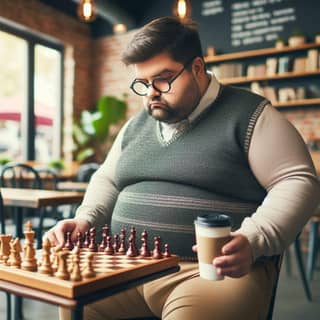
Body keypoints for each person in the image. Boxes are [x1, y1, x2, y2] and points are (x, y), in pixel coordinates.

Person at [45, 17, 320, 320]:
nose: (151, 92)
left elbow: (297, 181)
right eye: (143, 83)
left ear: (198, 68)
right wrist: (85, 219)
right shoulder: (136, 125)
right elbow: (108, 180)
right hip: (125, 267)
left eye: (163, 79)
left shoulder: (250, 115)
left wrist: (255, 239)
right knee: (76, 305)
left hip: (209, 273)